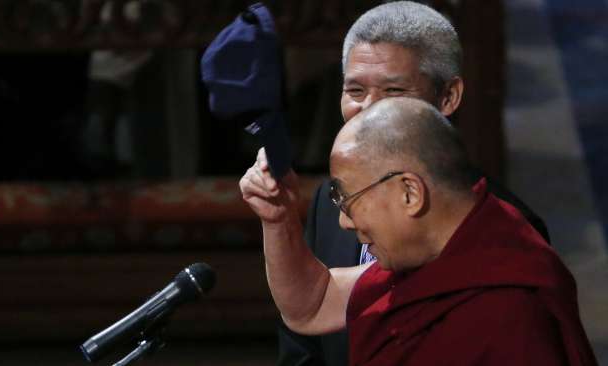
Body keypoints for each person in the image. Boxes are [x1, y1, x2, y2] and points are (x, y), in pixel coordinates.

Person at [274, 2, 550, 365]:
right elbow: (308, 320)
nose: (369, 110)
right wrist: (275, 220)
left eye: (393, 91)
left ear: (448, 97)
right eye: (355, 92)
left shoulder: (505, 236)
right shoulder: (332, 200)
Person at [239, 97, 597, 365]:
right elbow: (311, 305)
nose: (344, 222)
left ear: (410, 193)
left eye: (348, 198)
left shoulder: (509, 310)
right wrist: (278, 220)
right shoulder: (433, 254)